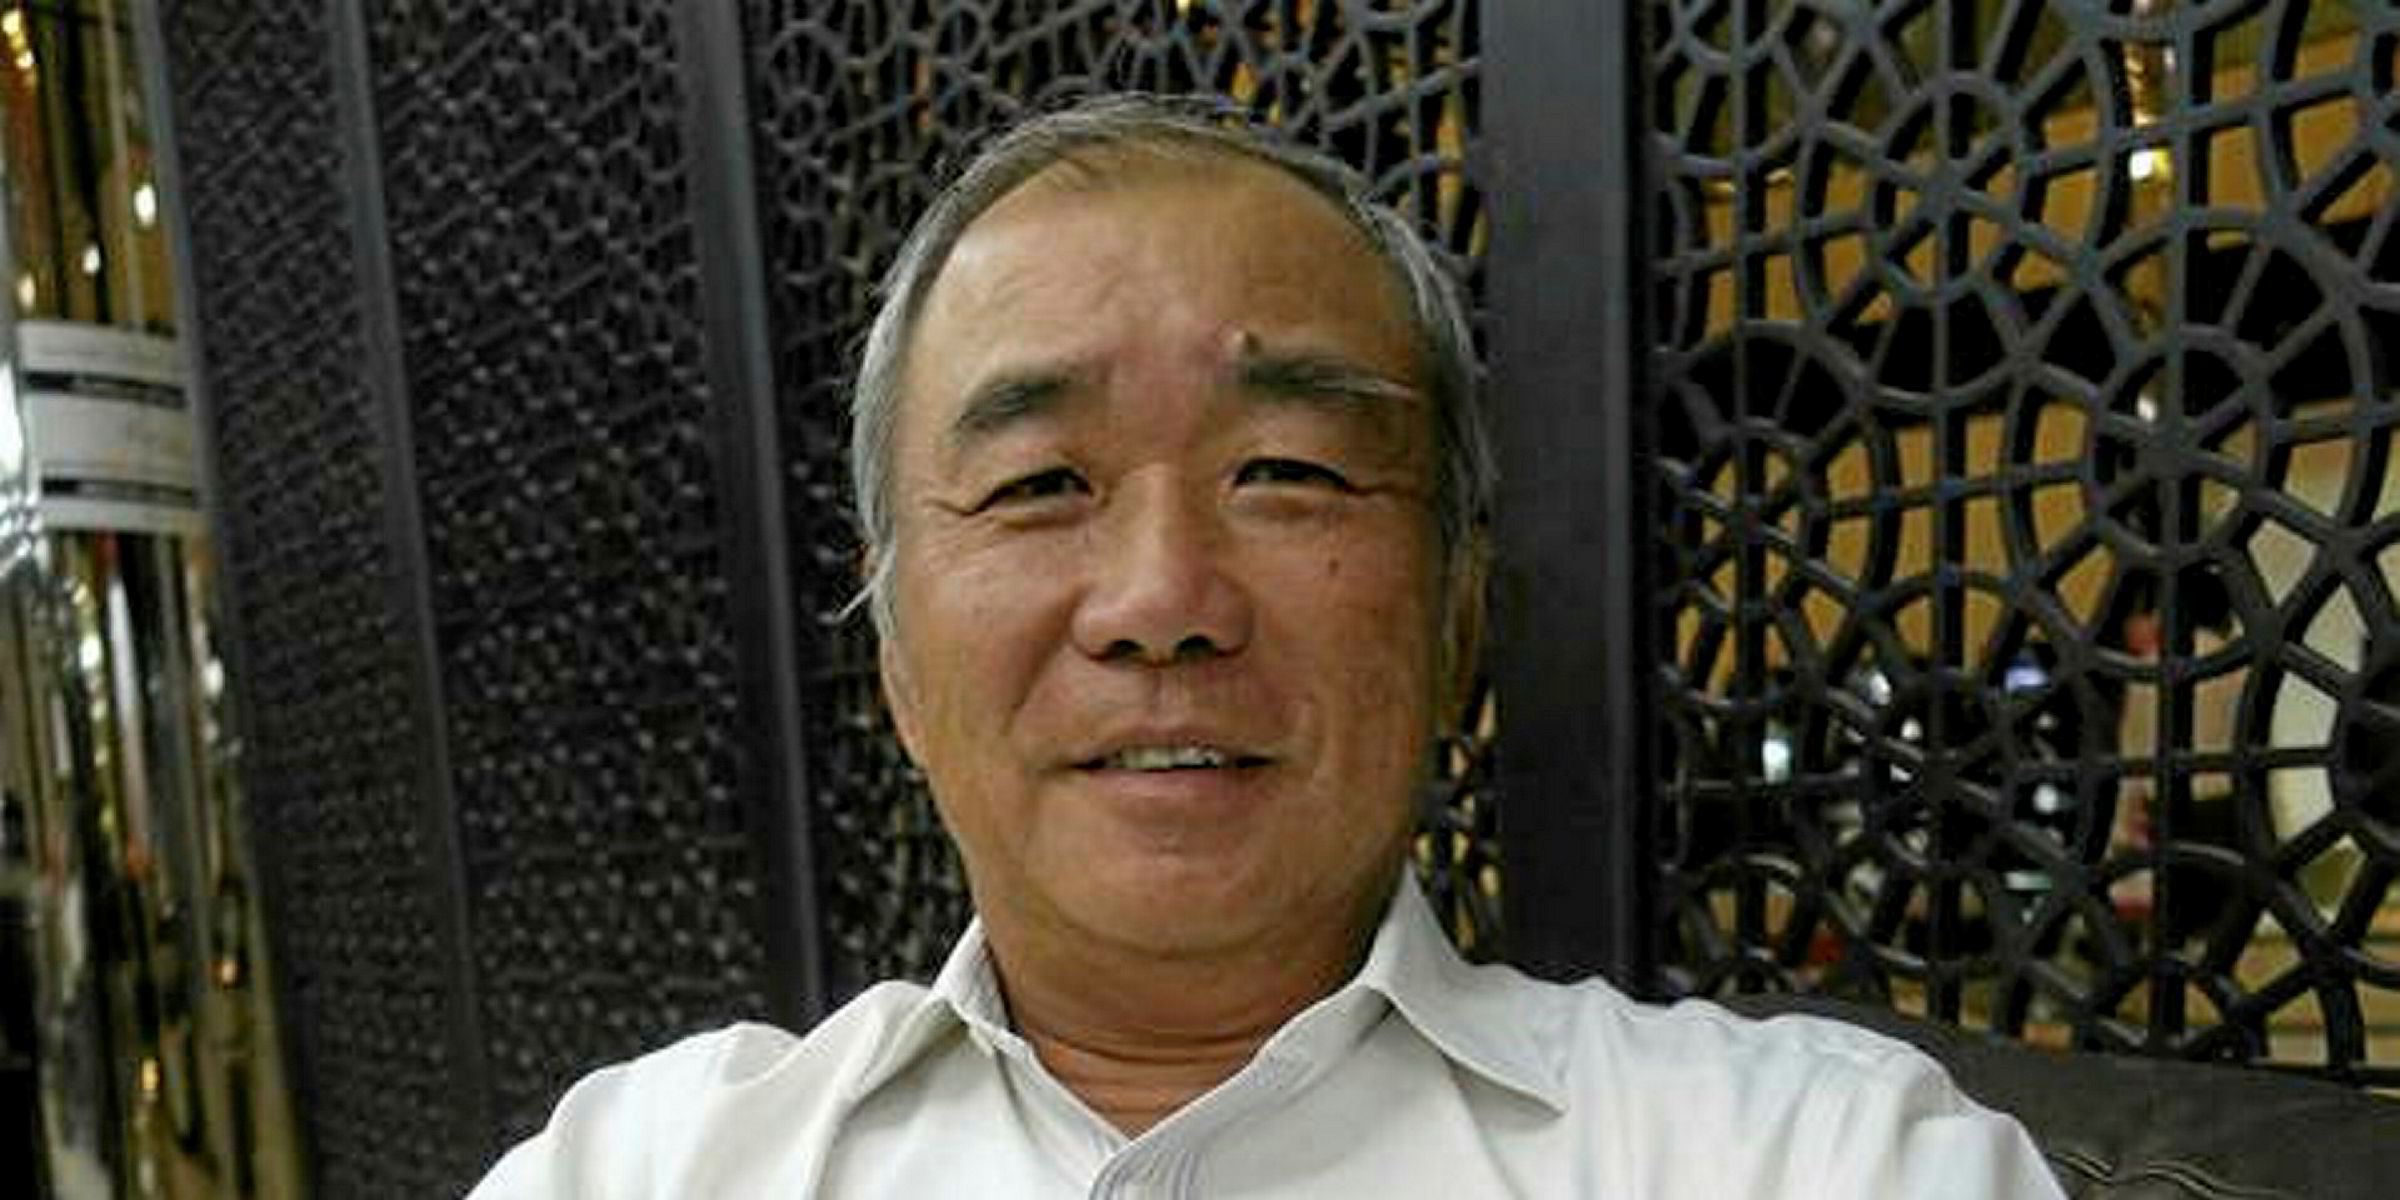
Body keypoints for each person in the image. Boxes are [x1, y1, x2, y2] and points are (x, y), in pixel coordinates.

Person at [468, 94, 2064, 1198]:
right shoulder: (646, 1166)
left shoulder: (1814, 1159)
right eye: (1038, 485)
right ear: (897, 662)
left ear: (1454, 617)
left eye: (1287, 472)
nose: (1162, 597)